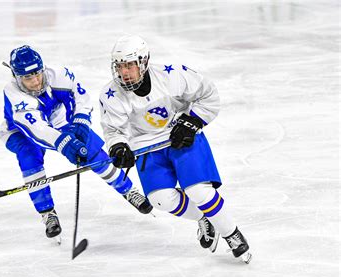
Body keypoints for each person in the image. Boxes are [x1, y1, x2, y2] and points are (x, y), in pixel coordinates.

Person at [99, 35, 252, 263]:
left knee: (198, 191)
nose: (124, 72)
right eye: (120, 66)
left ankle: (232, 234)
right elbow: (114, 131)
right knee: (161, 200)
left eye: (130, 65)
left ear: (144, 61)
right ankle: (206, 218)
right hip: (147, 147)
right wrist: (119, 147)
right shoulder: (111, 95)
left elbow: (208, 95)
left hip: (181, 137)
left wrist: (193, 122)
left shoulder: (172, 76)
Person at [0, 44, 152, 240]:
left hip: (59, 121)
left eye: (37, 73)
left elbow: (81, 97)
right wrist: (66, 143)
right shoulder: (14, 94)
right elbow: (39, 130)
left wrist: (80, 122)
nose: (35, 81)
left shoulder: (59, 75)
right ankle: (47, 213)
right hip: (22, 131)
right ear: (17, 77)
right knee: (29, 155)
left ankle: (129, 191)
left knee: (91, 148)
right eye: (28, 77)